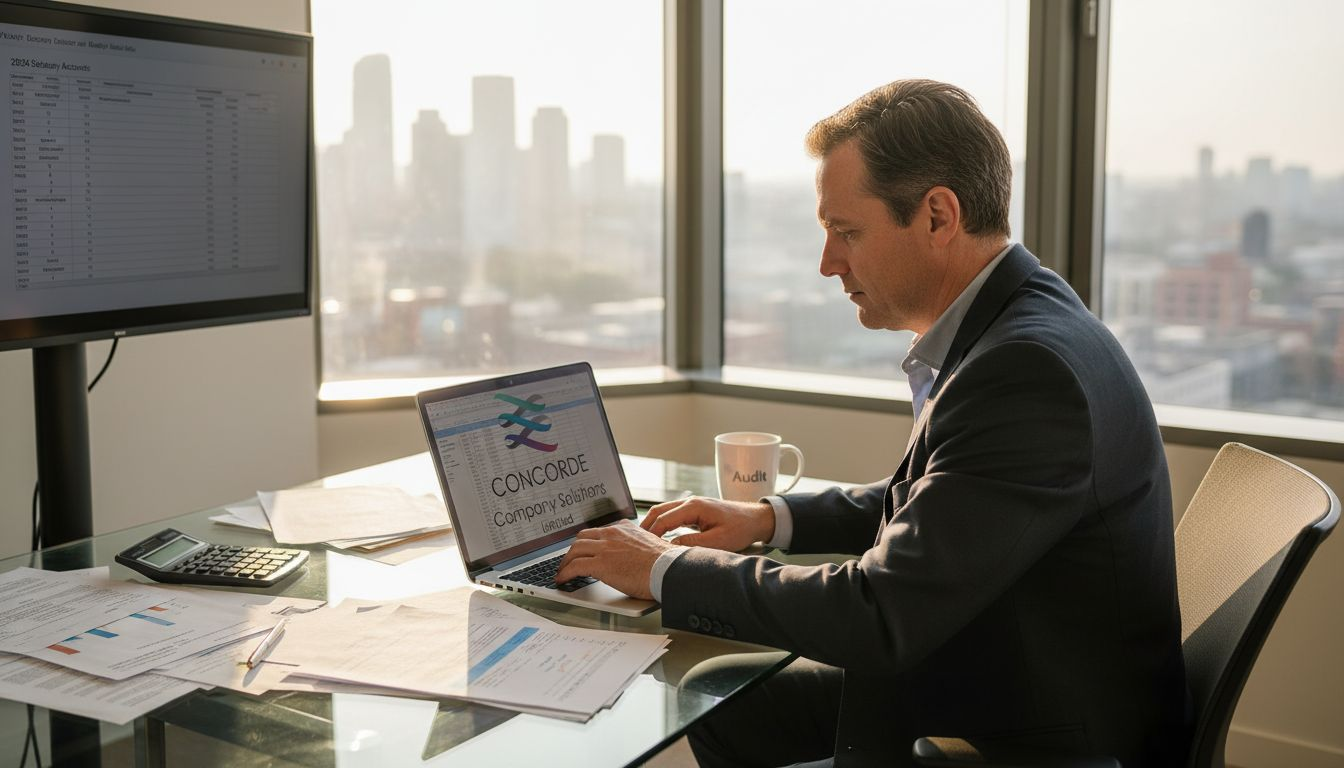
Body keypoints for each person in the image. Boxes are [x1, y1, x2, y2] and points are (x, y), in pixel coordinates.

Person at [556, 79, 1188, 768]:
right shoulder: (1024, 315)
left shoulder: (1027, 372)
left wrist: (668, 570)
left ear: (938, 217)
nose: (828, 264)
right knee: (723, 703)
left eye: (847, 232)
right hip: (1000, 667)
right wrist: (768, 520)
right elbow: (944, 502)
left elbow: (880, 614)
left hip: (1026, 735)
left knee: (720, 704)